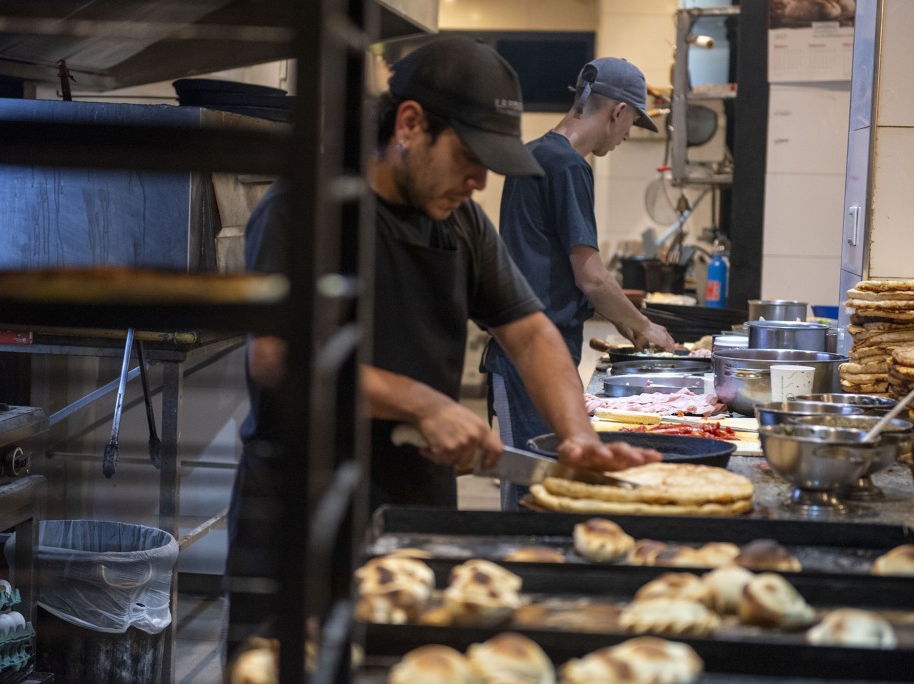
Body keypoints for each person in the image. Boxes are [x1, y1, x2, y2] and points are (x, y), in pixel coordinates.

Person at [224, 36, 662, 660]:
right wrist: (422, 403)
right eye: (470, 156)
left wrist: (577, 438)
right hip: (301, 511)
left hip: (414, 507)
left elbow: (530, 331)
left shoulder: (459, 222)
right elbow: (275, 356)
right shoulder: (310, 207)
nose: (480, 180)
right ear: (409, 125)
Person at [483, 56, 676, 510]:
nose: (628, 135)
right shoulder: (570, 167)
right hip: (532, 354)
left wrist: (627, 324)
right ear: (617, 112)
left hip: (523, 347)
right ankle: (524, 571)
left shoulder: (533, 153)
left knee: (537, 479)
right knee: (537, 486)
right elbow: (591, 277)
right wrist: (645, 328)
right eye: (632, 123)